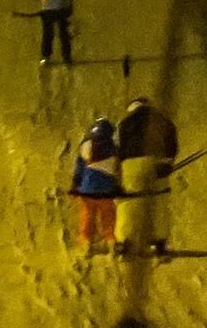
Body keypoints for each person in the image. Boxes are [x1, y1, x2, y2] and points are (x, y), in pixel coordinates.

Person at [114, 96, 182, 257]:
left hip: (131, 164)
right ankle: (159, 242)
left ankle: (124, 241)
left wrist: (117, 172)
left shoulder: (124, 123)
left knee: (128, 203)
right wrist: (168, 163)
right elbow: (172, 143)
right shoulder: (163, 120)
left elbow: (116, 147)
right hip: (157, 162)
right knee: (158, 202)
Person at [66, 115, 124, 253]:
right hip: (106, 190)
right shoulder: (114, 148)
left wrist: (75, 184)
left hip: (87, 189)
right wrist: (118, 186)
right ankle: (110, 240)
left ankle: (86, 241)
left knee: (87, 215)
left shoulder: (86, 145)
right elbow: (117, 169)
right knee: (108, 215)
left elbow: (79, 168)